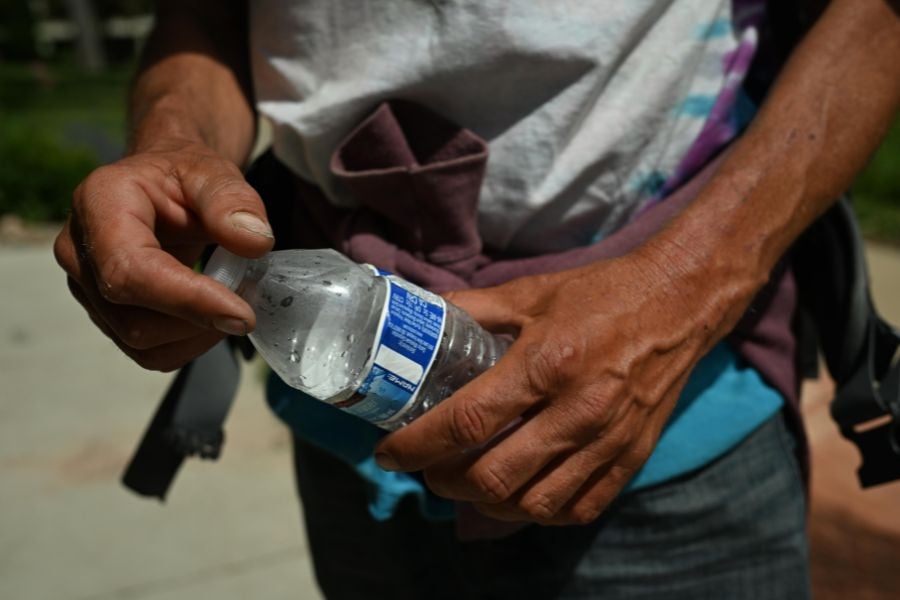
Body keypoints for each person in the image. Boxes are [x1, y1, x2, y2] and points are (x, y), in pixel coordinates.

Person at [54, 1, 900, 598]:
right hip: (349, 442)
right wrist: (173, 146)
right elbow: (204, 17)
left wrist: (684, 287)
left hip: (673, 425)